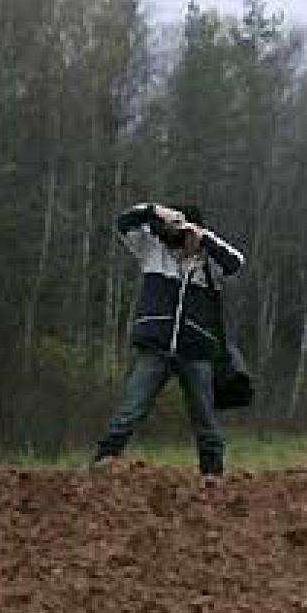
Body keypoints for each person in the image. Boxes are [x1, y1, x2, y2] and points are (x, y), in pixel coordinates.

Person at [91, 202, 246, 486]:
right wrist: (155, 211)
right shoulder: (153, 251)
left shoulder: (209, 263)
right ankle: (103, 462)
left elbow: (236, 262)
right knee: (131, 409)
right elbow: (123, 223)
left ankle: (212, 475)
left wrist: (203, 237)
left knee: (205, 418)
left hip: (196, 350)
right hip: (157, 347)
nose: (180, 238)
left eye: (185, 231)